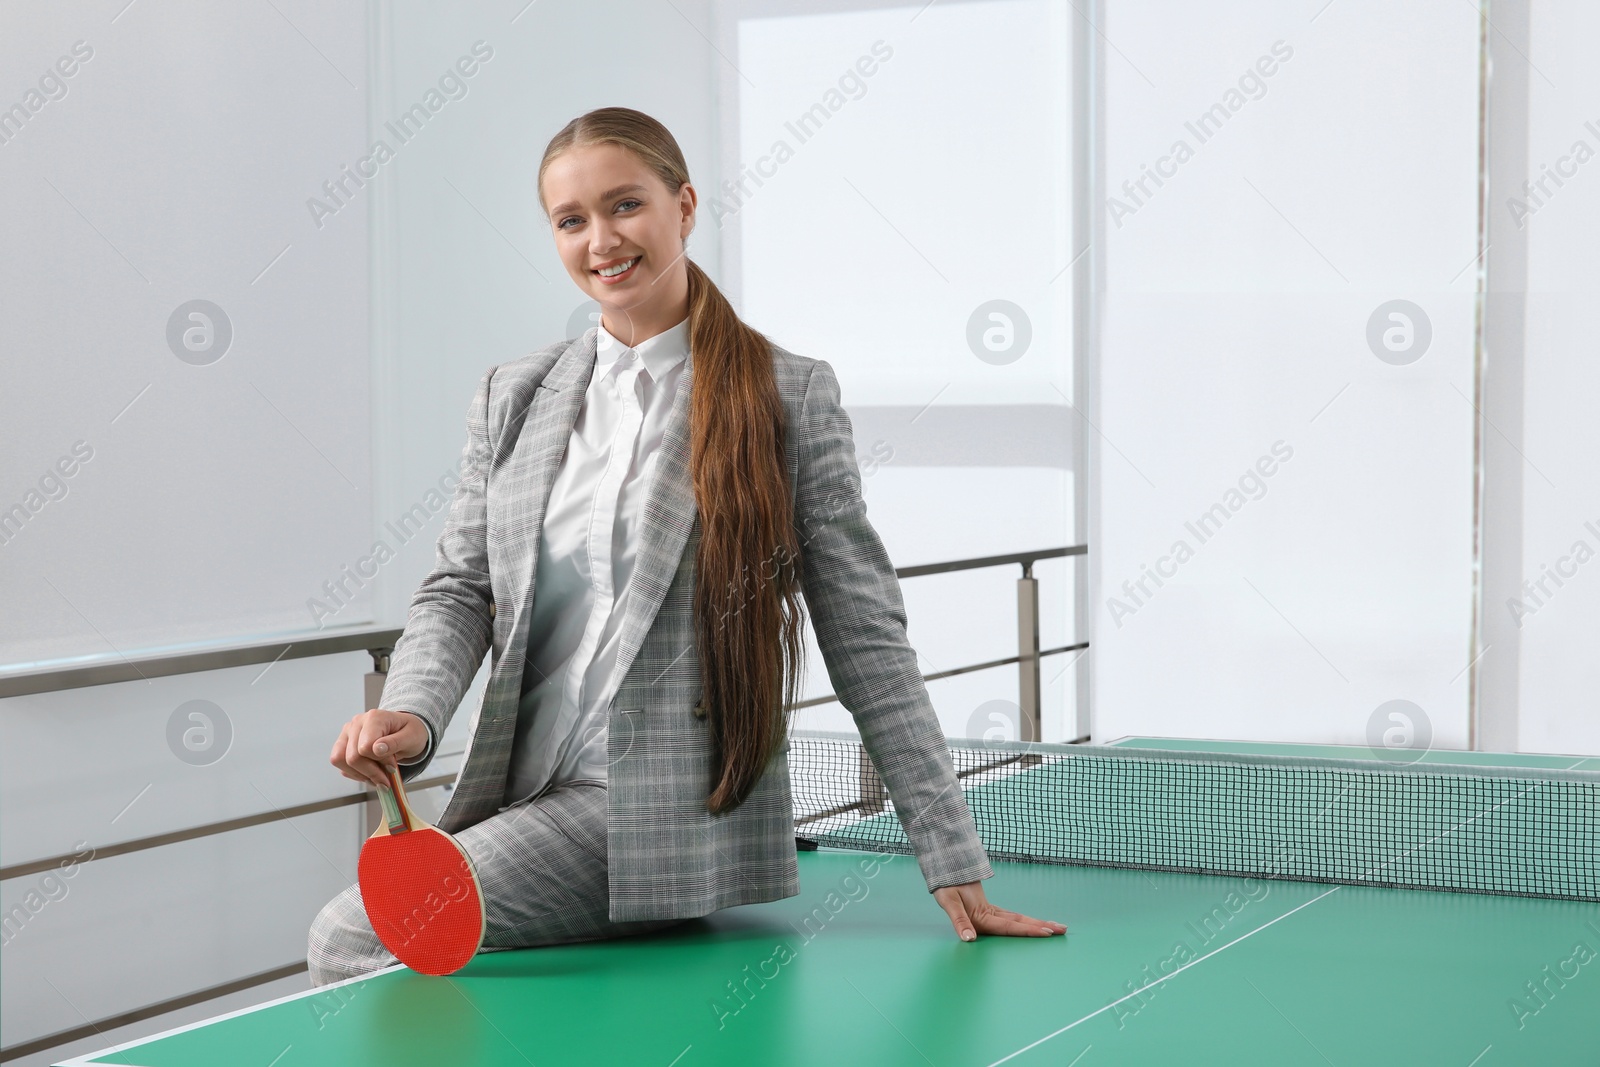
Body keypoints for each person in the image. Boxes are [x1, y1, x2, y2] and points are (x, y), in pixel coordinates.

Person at [308, 106, 1065, 985]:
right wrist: (417, 711)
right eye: (571, 219)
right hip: (521, 785)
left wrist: (948, 849)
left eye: (625, 204)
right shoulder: (513, 393)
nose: (602, 239)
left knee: (352, 932)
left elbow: (865, 636)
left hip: (655, 815)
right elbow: (460, 586)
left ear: (685, 205)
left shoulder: (787, 395)